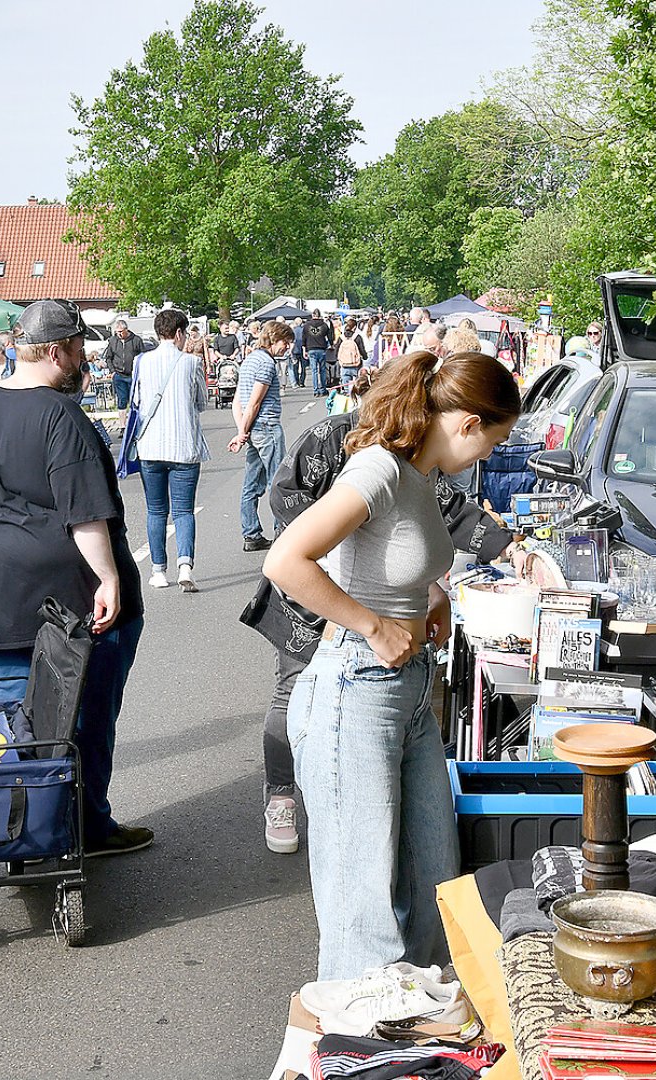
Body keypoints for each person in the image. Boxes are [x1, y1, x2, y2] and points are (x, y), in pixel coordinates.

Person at [265, 350, 519, 979]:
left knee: (433, 882)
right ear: (466, 423)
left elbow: (389, 559)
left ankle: (420, 1027)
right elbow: (287, 560)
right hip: (357, 690)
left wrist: (429, 598)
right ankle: (364, 1047)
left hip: (407, 693)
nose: (488, 456)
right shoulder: (378, 468)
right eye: (493, 441)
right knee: (365, 907)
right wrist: (373, 624)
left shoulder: (420, 475)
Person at [0, 298, 152, 857]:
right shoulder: (62, 417)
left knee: (16, 717)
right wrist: (109, 579)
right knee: (83, 716)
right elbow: (85, 513)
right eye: (81, 351)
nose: (85, 362)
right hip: (62, 594)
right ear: (58, 352)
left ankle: (23, 830)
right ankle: (85, 827)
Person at [133, 308, 209, 592]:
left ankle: (157, 571)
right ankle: (185, 566)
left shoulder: (142, 362)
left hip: (150, 448)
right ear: (179, 333)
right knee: (183, 511)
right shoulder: (191, 362)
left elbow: (138, 402)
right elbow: (201, 402)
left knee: (156, 511)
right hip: (184, 447)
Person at [230, 320, 291, 552]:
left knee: (251, 483)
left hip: (253, 428)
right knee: (279, 481)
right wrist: (243, 432)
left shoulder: (249, 360)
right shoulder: (266, 363)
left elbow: (238, 400)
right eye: (285, 342)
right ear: (274, 339)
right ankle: (281, 533)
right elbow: (254, 402)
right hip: (266, 426)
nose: (287, 347)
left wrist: (242, 431)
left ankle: (251, 533)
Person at [104, 319, 149, 410]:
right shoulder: (113, 341)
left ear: (126, 330)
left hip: (133, 375)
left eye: (121, 332)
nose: (119, 334)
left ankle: (135, 421)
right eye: (117, 332)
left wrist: (140, 372)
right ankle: (122, 423)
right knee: (122, 400)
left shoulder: (136, 340)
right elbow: (108, 357)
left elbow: (143, 357)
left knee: (135, 400)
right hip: (118, 375)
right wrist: (112, 371)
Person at [304, 309, 332, 394]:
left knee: (314, 371)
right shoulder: (324, 325)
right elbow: (330, 336)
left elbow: (303, 338)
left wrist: (304, 349)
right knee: (322, 370)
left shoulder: (306, 325)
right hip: (321, 348)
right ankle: (323, 389)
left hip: (311, 348)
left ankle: (315, 390)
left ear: (313, 315)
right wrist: (331, 345)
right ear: (319, 316)